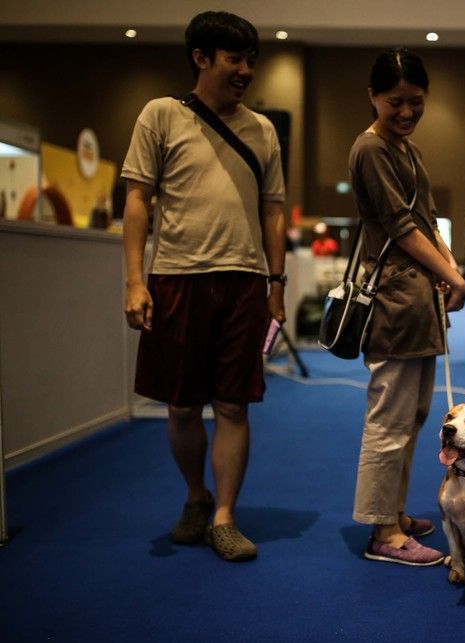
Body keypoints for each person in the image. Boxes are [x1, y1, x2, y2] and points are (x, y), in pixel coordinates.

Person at [121, 11, 287, 562]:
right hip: (176, 279)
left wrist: (276, 285)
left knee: (234, 405)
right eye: (234, 59)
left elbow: (273, 213)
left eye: (250, 61)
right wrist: (134, 282)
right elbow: (138, 200)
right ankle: (196, 496)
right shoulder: (161, 115)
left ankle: (224, 517)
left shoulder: (262, 130)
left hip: (243, 282)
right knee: (182, 407)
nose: (246, 71)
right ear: (201, 58)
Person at [348, 47, 465, 566]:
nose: (407, 112)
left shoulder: (407, 150)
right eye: (396, 101)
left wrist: (448, 268)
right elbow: (400, 227)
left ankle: (392, 513)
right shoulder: (371, 150)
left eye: (416, 102)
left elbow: (428, 217)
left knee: (415, 415)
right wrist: (452, 274)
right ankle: (383, 534)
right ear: (373, 96)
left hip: (420, 302)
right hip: (395, 302)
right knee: (390, 419)